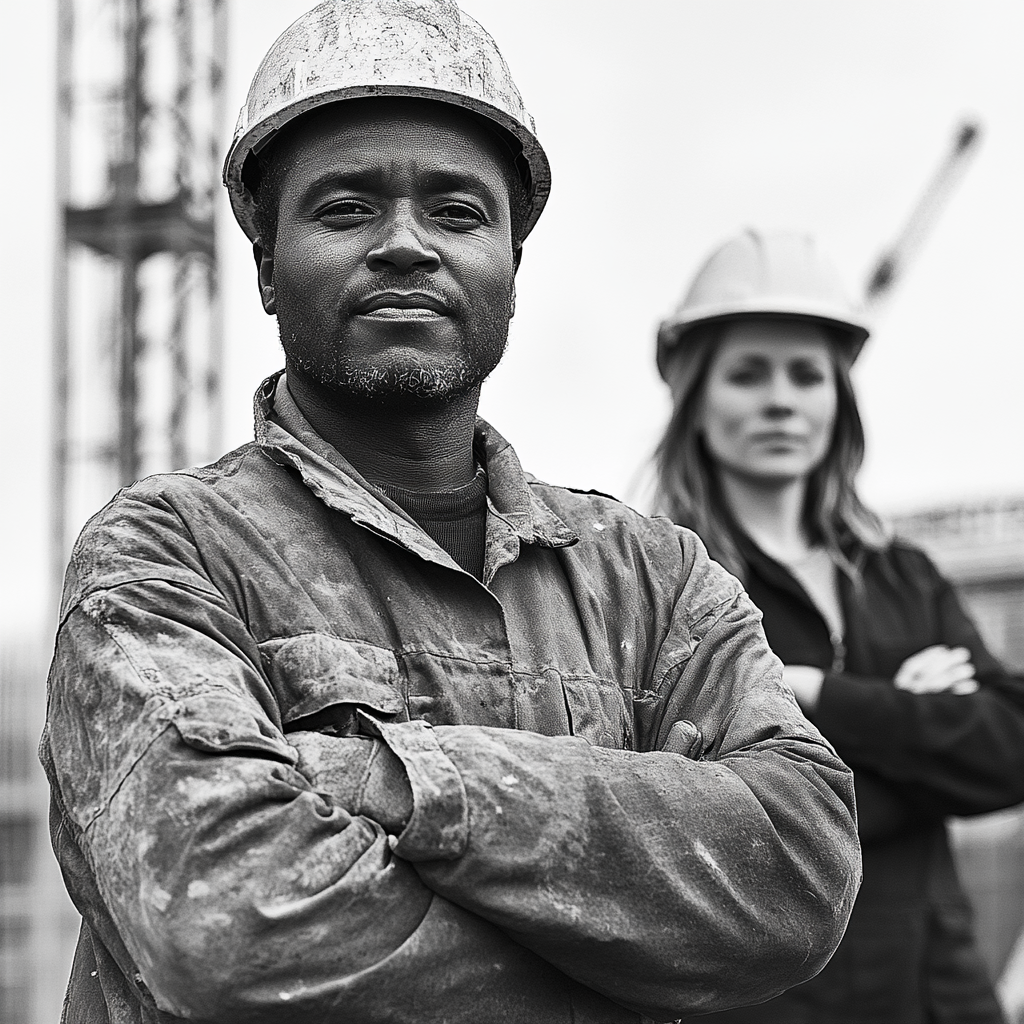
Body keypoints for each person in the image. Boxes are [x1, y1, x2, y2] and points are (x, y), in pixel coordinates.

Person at [39, 7, 861, 1022]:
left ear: (513, 267)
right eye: (344, 210)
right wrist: (632, 925)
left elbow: (799, 871)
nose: (404, 246)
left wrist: (384, 780)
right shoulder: (166, 553)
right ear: (263, 268)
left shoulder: (651, 578)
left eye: (458, 213)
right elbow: (227, 923)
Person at [653, 227, 1024, 1024]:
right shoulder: (668, 587)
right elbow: (704, 816)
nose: (781, 398)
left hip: (939, 991)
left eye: (805, 375)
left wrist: (821, 696)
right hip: (772, 1004)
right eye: (747, 375)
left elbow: (1012, 748)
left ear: (837, 397)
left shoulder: (903, 575)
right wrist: (919, 734)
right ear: (697, 400)